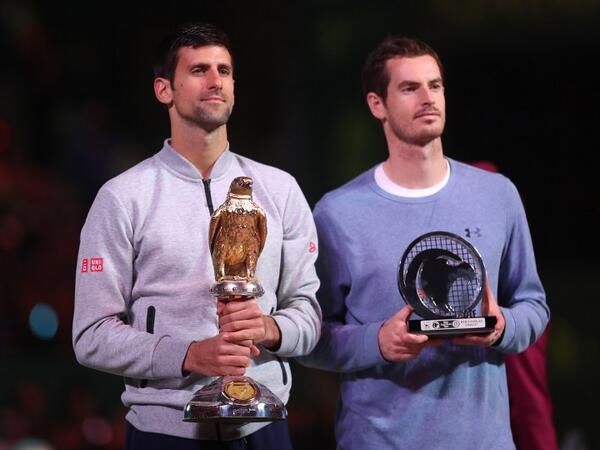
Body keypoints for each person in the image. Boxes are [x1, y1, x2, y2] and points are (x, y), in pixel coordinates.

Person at [72, 22, 321, 449]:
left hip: (264, 425)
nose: (215, 81)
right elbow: (90, 335)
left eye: (224, 71)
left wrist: (269, 328)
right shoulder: (123, 197)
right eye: (199, 70)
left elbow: (309, 315)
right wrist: (186, 355)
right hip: (165, 431)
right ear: (164, 89)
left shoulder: (279, 189)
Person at [299, 36, 550, 449]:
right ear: (377, 104)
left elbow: (534, 306)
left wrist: (501, 326)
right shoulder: (336, 213)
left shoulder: (497, 194)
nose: (427, 98)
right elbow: (311, 335)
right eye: (409, 88)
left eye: (435, 85)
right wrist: (377, 341)